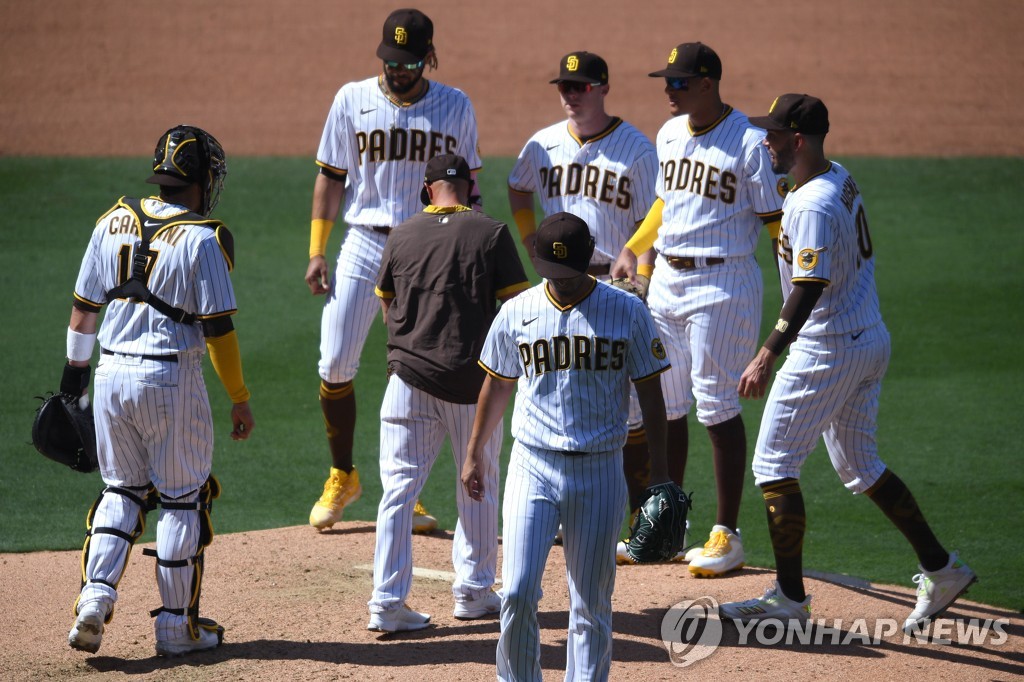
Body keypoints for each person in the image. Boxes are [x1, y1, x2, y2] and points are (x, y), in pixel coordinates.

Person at [719, 94, 976, 631]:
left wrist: (768, 352)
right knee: (861, 466)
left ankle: (788, 600)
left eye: (773, 134)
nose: (764, 140)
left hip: (826, 347)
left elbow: (809, 286)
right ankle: (941, 567)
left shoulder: (812, 203)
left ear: (799, 140)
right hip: (867, 338)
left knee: (773, 466)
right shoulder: (838, 176)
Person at [64, 124, 255, 657]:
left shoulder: (112, 221)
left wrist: (71, 385)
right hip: (170, 380)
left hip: (109, 377)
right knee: (180, 499)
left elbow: (83, 312)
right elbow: (218, 329)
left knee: (121, 491)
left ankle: (94, 600)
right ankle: (175, 628)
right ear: (198, 180)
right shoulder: (203, 237)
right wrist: (239, 396)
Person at [462, 212, 673, 681]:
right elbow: (497, 385)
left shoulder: (627, 311)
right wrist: (475, 450)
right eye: (549, 272)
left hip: (599, 469)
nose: (556, 283)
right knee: (516, 591)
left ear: (587, 262)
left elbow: (652, 395)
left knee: (591, 602)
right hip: (531, 464)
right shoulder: (518, 310)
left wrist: (659, 474)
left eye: (566, 273)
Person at [611, 42, 787, 576]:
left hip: (724, 281)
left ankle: (727, 533)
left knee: (715, 404)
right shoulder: (668, 133)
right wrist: (634, 247)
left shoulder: (750, 143)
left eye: (679, 82)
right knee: (665, 402)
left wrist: (792, 305)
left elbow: (776, 221)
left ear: (708, 83)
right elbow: (666, 202)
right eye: (668, 81)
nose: (668, 89)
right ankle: (665, 524)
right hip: (666, 279)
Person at [305, 8, 483, 533]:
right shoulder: (351, 99)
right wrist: (317, 250)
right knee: (335, 361)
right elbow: (331, 178)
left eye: (408, 62)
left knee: (415, 371)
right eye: (390, 60)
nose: (398, 70)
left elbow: (470, 183)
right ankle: (342, 474)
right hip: (364, 242)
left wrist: (465, 248)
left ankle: (412, 492)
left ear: (429, 56)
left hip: (429, 248)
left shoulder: (454, 106)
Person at [367, 154, 530, 632]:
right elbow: (518, 311)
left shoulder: (401, 234)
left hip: (406, 382)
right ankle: (474, 593)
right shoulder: (492, 233)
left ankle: (386, 604)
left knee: (397, 493)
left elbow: (387, 307)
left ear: (427, 188)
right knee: (478, 484)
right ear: (470, 186)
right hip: (472, 387)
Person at [507, 50, 660, 551]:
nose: (570, 95)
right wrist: (531, 242)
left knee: (630, 408)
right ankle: (559, 507)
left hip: (613, 286)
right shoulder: (542, 143)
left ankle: (644, 515)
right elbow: (517, 188)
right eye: (564, 87)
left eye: (580, 87)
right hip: (557, 287)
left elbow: (652, 217)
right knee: (559, 393)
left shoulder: (636, 149)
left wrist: (643, 271)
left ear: (602, 88)